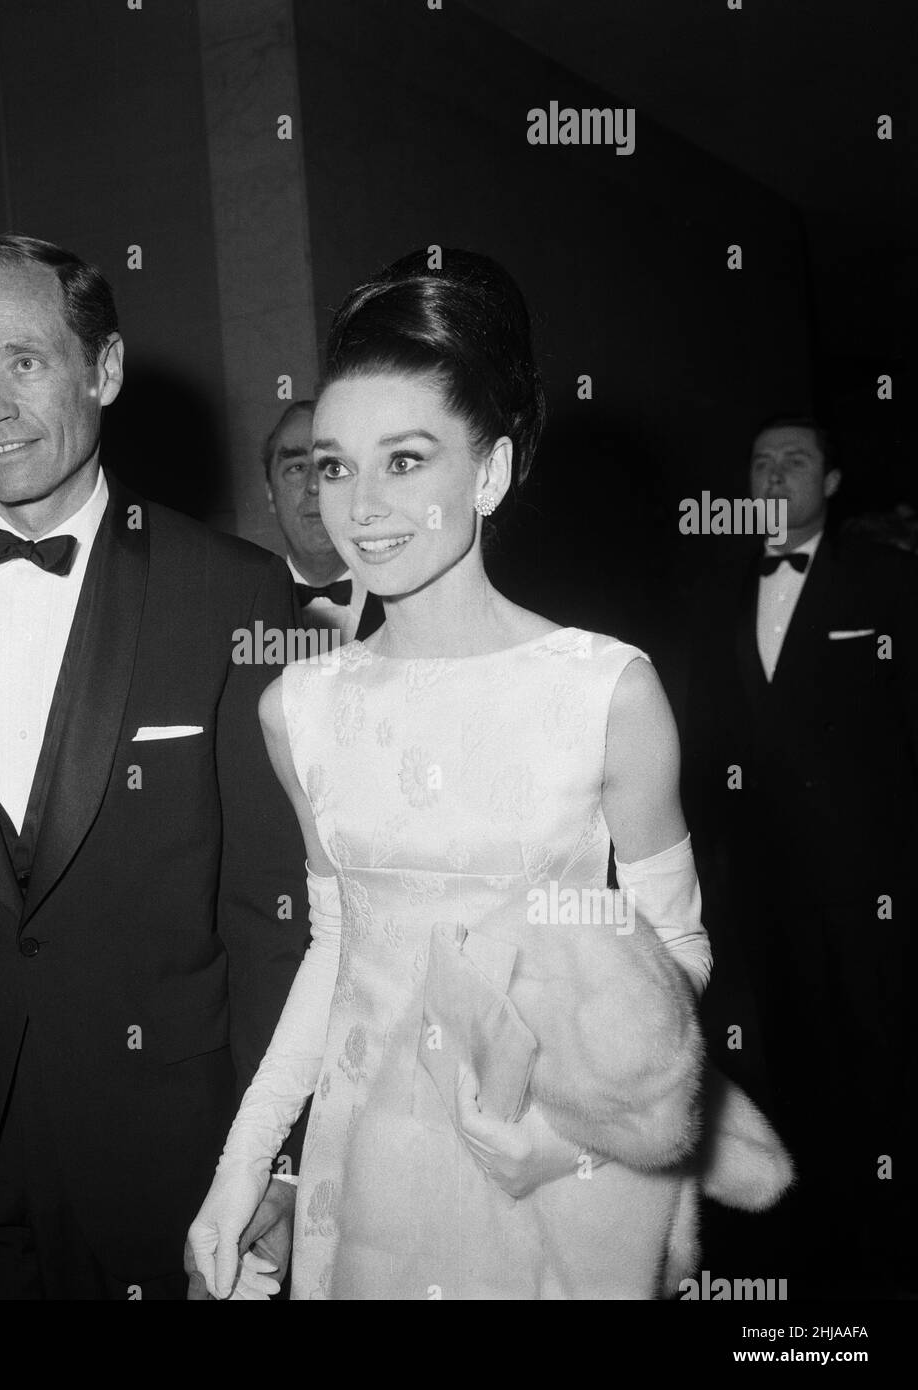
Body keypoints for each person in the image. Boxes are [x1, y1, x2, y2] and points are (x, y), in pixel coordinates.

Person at [188, 249, 791, 1300]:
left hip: (543, 1174)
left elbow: (676, 951)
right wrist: (247, 1159)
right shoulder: (299, 709)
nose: (361, 506)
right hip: (357, 1167)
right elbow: (338, 951)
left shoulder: (605, 690)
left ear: (494, 471)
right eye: (334, 465)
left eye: (407, 460)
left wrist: (571, 1143)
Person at [0, 234, 308, 1299]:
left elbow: (267, 910)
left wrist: (274, 1148)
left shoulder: (233, 591)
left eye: (23, 360)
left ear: (106, 370)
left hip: (167, 1156)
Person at [681, 417, 918, 1294]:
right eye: (760, 462)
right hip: (754, 901)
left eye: (797, 460)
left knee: (882, 1078)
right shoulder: (713, 589)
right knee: (781, 1081)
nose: (775, 476)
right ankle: (808, 1265)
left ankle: (889, 1261)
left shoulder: (890, 581)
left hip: (871, 897)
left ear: (835, 476)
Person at [263, 400, 383, 644]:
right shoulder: (242, 612)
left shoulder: (412, 601)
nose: (315, 486)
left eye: (333, 467)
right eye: (296, 467)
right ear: (270, 494)